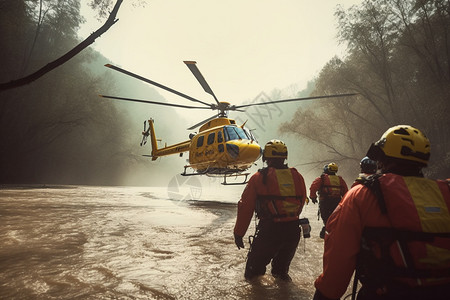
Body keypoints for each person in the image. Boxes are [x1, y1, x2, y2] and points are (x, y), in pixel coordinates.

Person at [314, 125, 450, 300]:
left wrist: (324, 295)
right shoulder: (445, 192)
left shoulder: (362, 194)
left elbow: (338, 264)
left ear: (382, 158)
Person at [233, 139, 307, 281]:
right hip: (293, 231)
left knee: (252, 275)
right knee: (281, 273)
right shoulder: (298, 176)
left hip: (270, 231)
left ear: (266, 158)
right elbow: (301, 201)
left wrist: (238, 233)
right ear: (285, 157)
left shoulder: (259, 178)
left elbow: (245, 207)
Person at [309, 162, 348, 238]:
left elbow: (313, 187)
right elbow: (346, 193)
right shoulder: (340, 180)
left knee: (327, 220)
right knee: (334, 220)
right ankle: (332, 235)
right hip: (337, 203)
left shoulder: (322, 178)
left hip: (325, 202)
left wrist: (313, 197)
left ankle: (326, 234)